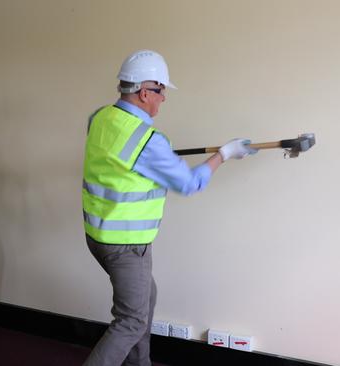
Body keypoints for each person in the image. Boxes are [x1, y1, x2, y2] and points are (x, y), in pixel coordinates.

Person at [81, 50, 258, 366]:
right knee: (131, 320)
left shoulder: (100, 117)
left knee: (146, 300)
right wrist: (225, 154)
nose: (164, 99)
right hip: (125, 245)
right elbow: (189, 183)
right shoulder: (147, 139)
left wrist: (153, 158)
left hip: (98, 235)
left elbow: (120, 159)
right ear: (145, 92)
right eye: (161, 91)